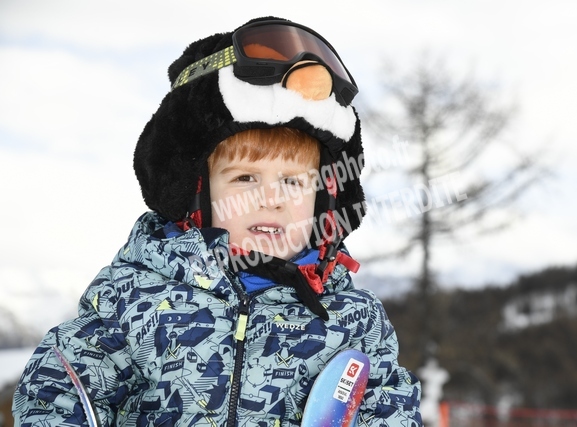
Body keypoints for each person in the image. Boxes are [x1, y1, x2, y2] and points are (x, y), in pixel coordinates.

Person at [13, 16, 423, 426]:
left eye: (293, 182)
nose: (272, 199)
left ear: (323, 200)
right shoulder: (133, 297)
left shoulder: (353, 318)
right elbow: (59, 392)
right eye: (245, 178)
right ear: (195, 192)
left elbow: (389, 408)